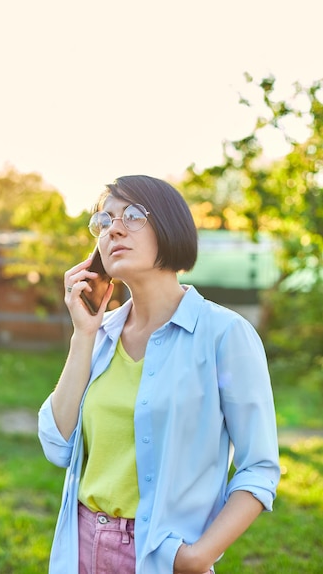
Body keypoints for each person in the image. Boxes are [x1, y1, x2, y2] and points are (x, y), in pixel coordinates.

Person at [38, 174, 280, 574]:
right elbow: (58, 446)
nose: (113, 228)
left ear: (169, 226)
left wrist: (199, 556)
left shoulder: (224, 334)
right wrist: (83, 334)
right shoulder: (99, 334)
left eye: (132, 216)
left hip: (161, 556)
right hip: (80, 547)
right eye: (104, 221)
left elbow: (259, 467)